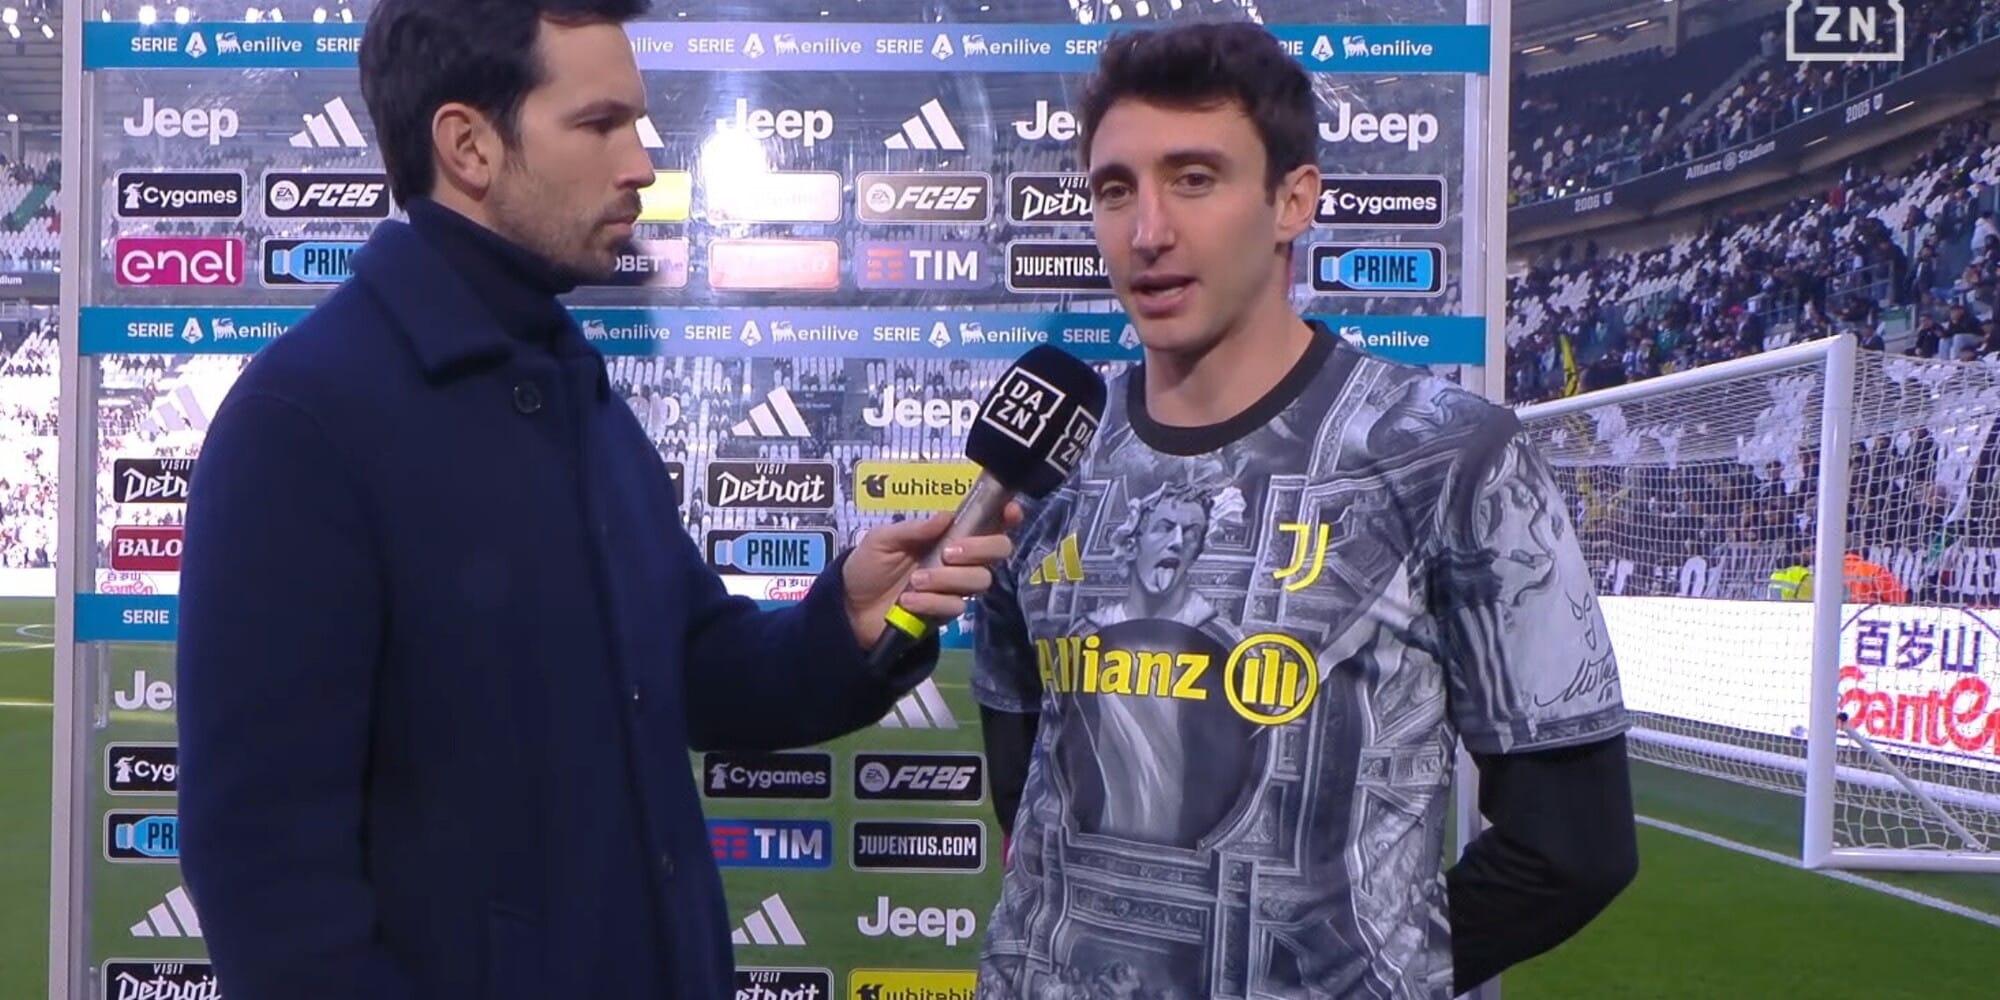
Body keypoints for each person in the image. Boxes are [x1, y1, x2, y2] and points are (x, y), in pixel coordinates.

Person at [171, 1, 1018, 997]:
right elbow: (270, 885)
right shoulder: (303, 421)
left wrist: (846, 622)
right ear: (469, 146)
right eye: (599, 124)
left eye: (636, 125)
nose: (641, 166)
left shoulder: (572, 387)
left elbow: (692, 669)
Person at [971, 21, 1638, 1000]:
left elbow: (1573, 845)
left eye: (1193, 179)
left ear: (1292, 200)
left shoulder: (1447, 455)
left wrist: (1360, 974)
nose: (1147, 230)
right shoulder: (1048, 464)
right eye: (1115, 189)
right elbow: (1024, 772)